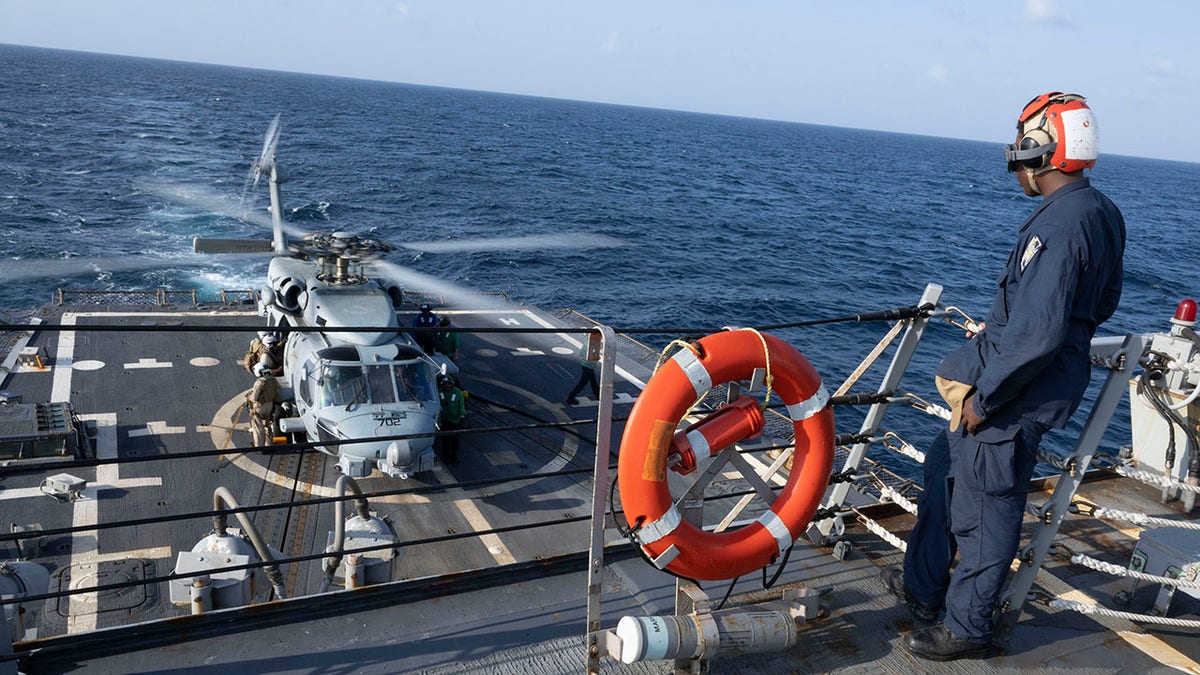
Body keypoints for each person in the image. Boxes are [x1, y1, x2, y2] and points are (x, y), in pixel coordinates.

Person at [899, 92, 1124, 661]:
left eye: (1021, 150)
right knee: (944, 472)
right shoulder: (1099, 213)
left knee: (986, 515)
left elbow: (1035, 334)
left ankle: (964, 629)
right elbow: (1103, 304)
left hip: (1011, 397)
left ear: (1039, 152)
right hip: (1021, 380)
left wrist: (987, 399)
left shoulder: (1062, 226)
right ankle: (925, 591)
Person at [247, 362, 282, 447]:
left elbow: (254, 397)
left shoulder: (259, 382)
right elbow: (278, 388)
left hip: (260, 407)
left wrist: (249, 396)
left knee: (258, 427)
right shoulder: (273, 379)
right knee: (267, 426)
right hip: (270, 405)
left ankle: (259, 446)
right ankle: (269, 444)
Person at [437, 375, 466, 464]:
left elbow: (461, 405)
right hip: (444, 421)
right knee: (445, 440)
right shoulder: (439, 392)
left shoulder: (457, 392)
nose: (447, 386)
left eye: (449, 384)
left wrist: (461, 416)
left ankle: (454, 455)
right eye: (445, 384)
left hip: (455, 421)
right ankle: (446, 455)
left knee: (455, 440)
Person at [565, 341, 599, 405]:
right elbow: (595, 358)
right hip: (589, 366)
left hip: (585, 365)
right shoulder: (595, 346)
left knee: (593, 382)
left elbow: (581, 353)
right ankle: (570, 398)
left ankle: (598, 395)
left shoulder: (587, 343)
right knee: (582, 384)